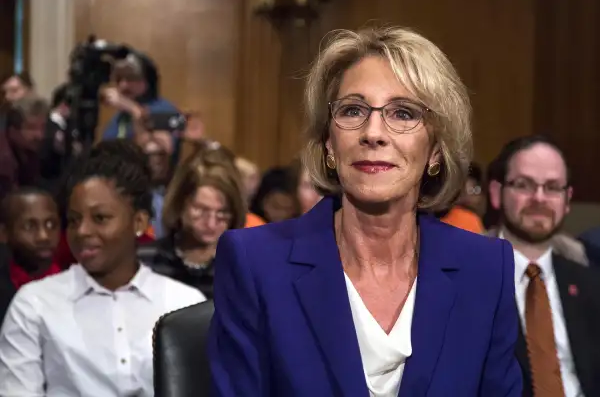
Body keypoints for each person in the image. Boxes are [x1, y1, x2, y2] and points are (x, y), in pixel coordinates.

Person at [208, 26, 521, 396]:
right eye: (352, 110)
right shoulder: (254, 263)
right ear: (329, 144)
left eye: (402, 113)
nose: (373, 133)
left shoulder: (486, 269)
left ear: (436, 151)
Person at [0, 140, 205, 396]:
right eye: (74, 220)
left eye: (100, 218)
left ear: (139, 222)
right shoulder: (34, 304)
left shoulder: (184, 304)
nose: (82, 231)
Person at [488, 135, 600, 396]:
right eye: (524, 185)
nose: (539, 198)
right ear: (496, 193)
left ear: (567, 200)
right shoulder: (464, 281)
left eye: (552, 187)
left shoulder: (590, 283)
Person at [139, 144, 246, 298]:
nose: (211, 223)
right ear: (179, 204)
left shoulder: (246, 271)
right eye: (200, 210)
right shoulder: (144, 262)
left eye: (222, 213)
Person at [0, 188, 61, 324]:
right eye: (29, 226)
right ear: (4, 233)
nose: (43, 236)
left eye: (51, 224)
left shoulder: (78, 288)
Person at [0, 96, 49, 201]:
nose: (39, 135)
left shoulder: (29, 150)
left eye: (42, 127)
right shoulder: (3, 160)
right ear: (12, 129)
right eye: (31, 128)